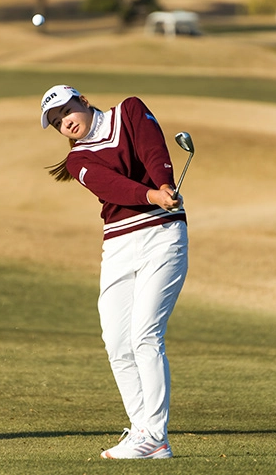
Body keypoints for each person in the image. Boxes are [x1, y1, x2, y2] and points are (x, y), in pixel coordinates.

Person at [39, 85, 189, 459]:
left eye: (66, 112)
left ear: (84, 102)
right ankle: (143, 432)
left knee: (145, 335)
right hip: (119, 246)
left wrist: (165, 185)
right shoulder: (77, 161)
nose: (65, 123)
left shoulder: (130, 111)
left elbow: (153, 149)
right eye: (57, 122)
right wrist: (152, 194)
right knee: (117, 341)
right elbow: (113, 186)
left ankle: (156, 435)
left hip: (162, 235)